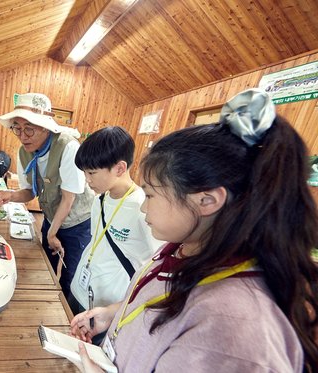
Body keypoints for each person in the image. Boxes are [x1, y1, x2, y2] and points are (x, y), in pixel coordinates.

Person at [69, 88, 318, 372]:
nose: (143, 207)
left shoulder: (234, 330)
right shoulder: (181, 246)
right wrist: (111, 314)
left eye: (150, 195)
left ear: (206, 201)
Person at [0, 93, 94, 297]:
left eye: (29, 129)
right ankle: (45, 303)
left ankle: (70, 319)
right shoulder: (24, 152)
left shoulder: (68, 147)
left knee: (69, 276)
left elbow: (69, 198)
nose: (22, 136)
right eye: (17, 128)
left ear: (45, 127)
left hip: (77, 223)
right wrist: (9, 195)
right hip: (51, 217)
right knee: (46, 266)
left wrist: (51, 233)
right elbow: (30, 191)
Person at [68, 126, 163, 321]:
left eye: (92, 173)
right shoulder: (99, 200)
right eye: (84, 173)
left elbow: (156, 266)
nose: (86, 180)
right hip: (79, 288)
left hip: (106, 307)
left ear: (119, 168)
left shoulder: (143, 207)